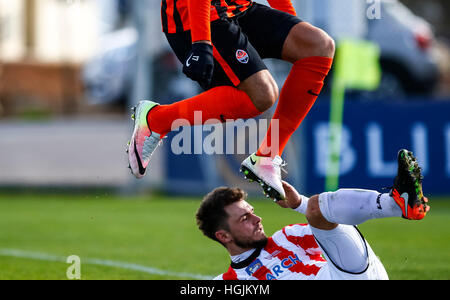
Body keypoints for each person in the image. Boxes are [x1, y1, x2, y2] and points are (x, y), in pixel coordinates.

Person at [127, 0, 334, 201]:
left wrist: (292, 25)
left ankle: (268, 157)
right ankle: (156, 119)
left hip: (239, 9)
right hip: (196, 18)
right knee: (262, 94)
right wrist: (202, 43)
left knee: (318, 45)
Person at [196, 150, 430, 280]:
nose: (257, 220)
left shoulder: (289, 236)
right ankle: (398, 205)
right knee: (317, 209)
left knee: (318, 207)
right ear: (223, 236)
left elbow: (334, 227)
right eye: (244, 218)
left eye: (252, 212)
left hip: (355, 275)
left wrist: (299, 204)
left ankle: (398, 204)